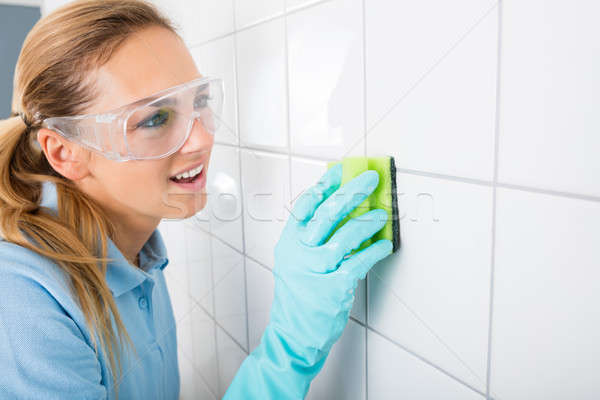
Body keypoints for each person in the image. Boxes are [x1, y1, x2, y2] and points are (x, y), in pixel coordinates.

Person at [0, 1, 393, 399]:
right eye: (155, 119)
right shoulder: (21, 305)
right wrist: (291, 344)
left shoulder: (138, 249)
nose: (203, 138)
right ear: (65, 152)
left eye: (199, 101)